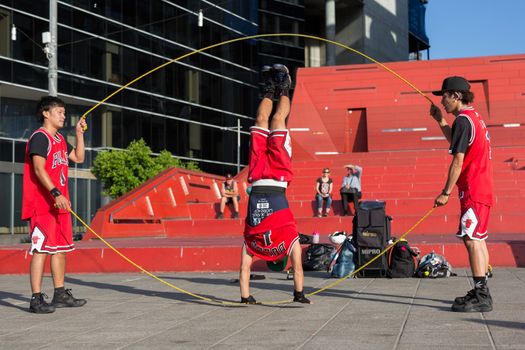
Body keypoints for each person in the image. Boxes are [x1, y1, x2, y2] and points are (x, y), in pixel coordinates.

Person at [239, 63, 310, 304]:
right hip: (277, 177)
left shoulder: (255, 244)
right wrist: (299, 295)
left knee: (264, 119)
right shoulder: (288, 240)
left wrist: (246, 298)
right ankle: (284, 88)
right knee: (276, 119)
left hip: (258, 176)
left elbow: (244, 270)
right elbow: (297, 269)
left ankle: (270, 88)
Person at [430, 76, 494, 312]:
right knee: (478, 238)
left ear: (455, 96)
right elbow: (458, 144)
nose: (442, 101)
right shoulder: (472, 119)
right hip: (482, 188)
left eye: (444, 96)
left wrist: (445, 192)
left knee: (471, 239)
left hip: (473, 189)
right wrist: (440, 121)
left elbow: (458, 160)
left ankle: (481, 295)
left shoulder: (463, 122)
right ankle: (482, 289)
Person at [22, 96, 88, 314]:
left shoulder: (59, 139)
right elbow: (39, 169)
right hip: (43, 205)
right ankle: (36, 298)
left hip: (60, 206)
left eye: (64, 112)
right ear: (46, 113)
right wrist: (55, 192)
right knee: (40, 249)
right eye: (59, 112)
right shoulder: (40, 138)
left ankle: (60, 294)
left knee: (60, 249)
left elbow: (78, 158)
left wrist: (79, 134)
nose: (64, 116)